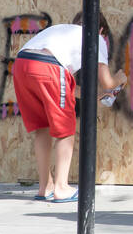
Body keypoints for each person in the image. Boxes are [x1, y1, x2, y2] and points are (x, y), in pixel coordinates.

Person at [11, 12, 126, 202]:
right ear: (101, 30)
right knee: (65, 130)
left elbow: (63, 86)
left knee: (43, 127)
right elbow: (107, 82)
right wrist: (120, 78)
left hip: (22, 64)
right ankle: (61, 187)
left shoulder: (61, 32)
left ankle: (45, 187)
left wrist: (96, 96)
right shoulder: (95, 38)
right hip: (49, 67)